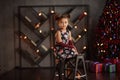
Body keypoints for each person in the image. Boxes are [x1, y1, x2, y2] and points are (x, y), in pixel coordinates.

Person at [54, 14, 78, 80]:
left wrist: (73, 46)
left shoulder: (68, 32)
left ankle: (64, 65)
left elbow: (70, 41)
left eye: (65, 22)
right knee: (62, 56)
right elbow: (61, 43)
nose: (64, 24)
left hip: (66, 48)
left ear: (68, 23)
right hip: (60, 49)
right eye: (61, 22)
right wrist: (70, 46)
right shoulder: (58, 32)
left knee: (75, 53)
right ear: (58, 23)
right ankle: (60, 74)